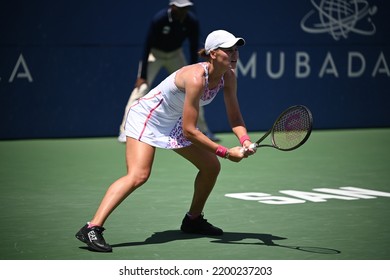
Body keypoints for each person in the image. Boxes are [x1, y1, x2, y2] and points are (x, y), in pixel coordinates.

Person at [76, 29, 256, 252]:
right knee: (139, 175)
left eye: (236, 49)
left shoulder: (228, 77)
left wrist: (245, 140)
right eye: (228, 50)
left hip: (174, 121)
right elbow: (190, 131)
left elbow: (235, 117)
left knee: (210, 166)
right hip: (147, 118)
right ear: (212, 53)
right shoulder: (195, 78)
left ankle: (193, 220)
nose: (234, 54)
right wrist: (227, 152)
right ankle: (92, 228)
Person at [118, 0, 220, 143]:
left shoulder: (191, 21)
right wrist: (142, 75)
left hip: (175, 55)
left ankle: (203, 130)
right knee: (141, 89)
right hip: (154, 54)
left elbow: (193, 46)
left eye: (187, 8)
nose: (185, 11)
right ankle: (125, 131)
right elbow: (147, 45)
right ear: (172, 7)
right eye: (181, 8)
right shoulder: (159, 19)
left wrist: (194, 71)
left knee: (197, 88)